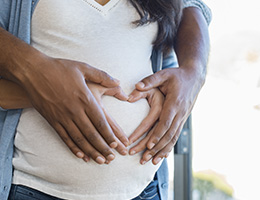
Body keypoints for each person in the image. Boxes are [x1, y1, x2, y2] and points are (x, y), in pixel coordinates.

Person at [0, 0, 211, 199]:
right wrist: (40, 88)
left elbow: (190, 6)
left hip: (145, 190)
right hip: (37, 189)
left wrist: (194, 71)